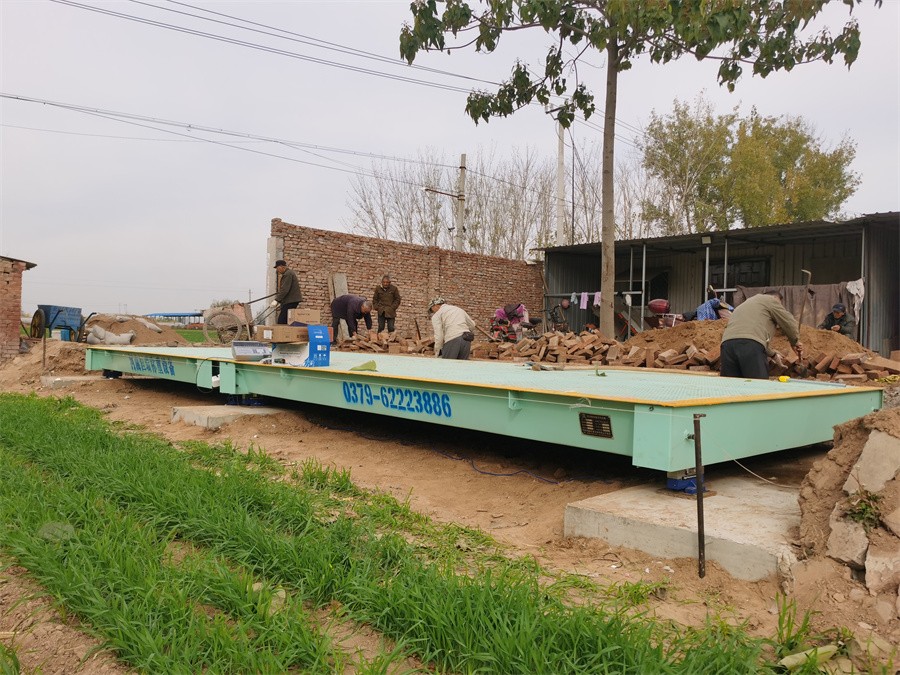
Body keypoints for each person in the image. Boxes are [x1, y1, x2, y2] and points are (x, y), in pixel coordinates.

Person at [720, 290, 803, 379]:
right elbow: (788, 322)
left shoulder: (745, 305)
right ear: (775, 298)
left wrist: (773, 355)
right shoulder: (771, 300)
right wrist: (795, 342)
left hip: (726, 346)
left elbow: (751, 338)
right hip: (749, 347)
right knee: (758, 384)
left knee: (731, 384)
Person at [271, 259, 302, 325]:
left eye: (277, 268)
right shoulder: (288, 273)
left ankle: (282, 331)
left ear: (282, 266)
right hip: (290, 301)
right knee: (286, 320)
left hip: (291, 301)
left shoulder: (288, 274)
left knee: (281, 321)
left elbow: (285, 289)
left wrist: (277, 300)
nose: (277, 270)